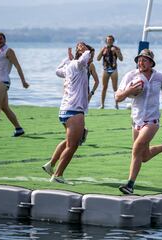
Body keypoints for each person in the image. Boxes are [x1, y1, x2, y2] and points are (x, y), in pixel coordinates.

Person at [115, 48, 162, 194]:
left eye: (144, 60)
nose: (140, 62)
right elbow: (118, 97)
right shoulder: (131, 75)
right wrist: (129, 91)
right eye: (139, 59)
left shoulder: (159, 76)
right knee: (143, 157)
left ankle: (130, 185)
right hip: (136, 120)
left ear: (151, 63)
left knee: (136, 148)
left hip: (152, 120)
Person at [42, 42, 94, 184]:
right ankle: (58, 175)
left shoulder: (71, 66)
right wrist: (85, 50)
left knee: (69, 141)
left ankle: (50, 165)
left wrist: (67, 59)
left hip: (64, 110)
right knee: (73, 145)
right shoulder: (78, 65)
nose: (91, 60)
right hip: (74, 111)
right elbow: (85, 56)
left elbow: (58, 70)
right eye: (90, 57)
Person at [97, 35, 123, 109]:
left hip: (114, 69)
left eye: (111, 40)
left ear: (113, 41)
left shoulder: (117, 48)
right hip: (105, 69)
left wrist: (116, 52)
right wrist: (101, 51)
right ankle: (102, 105)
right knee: (104, 87)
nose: (109, 41)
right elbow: (98, 59)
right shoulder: (104, 49)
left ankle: (116, 104)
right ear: (106, 41)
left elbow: (121, 59)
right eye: (108, 40)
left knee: (115, 88)